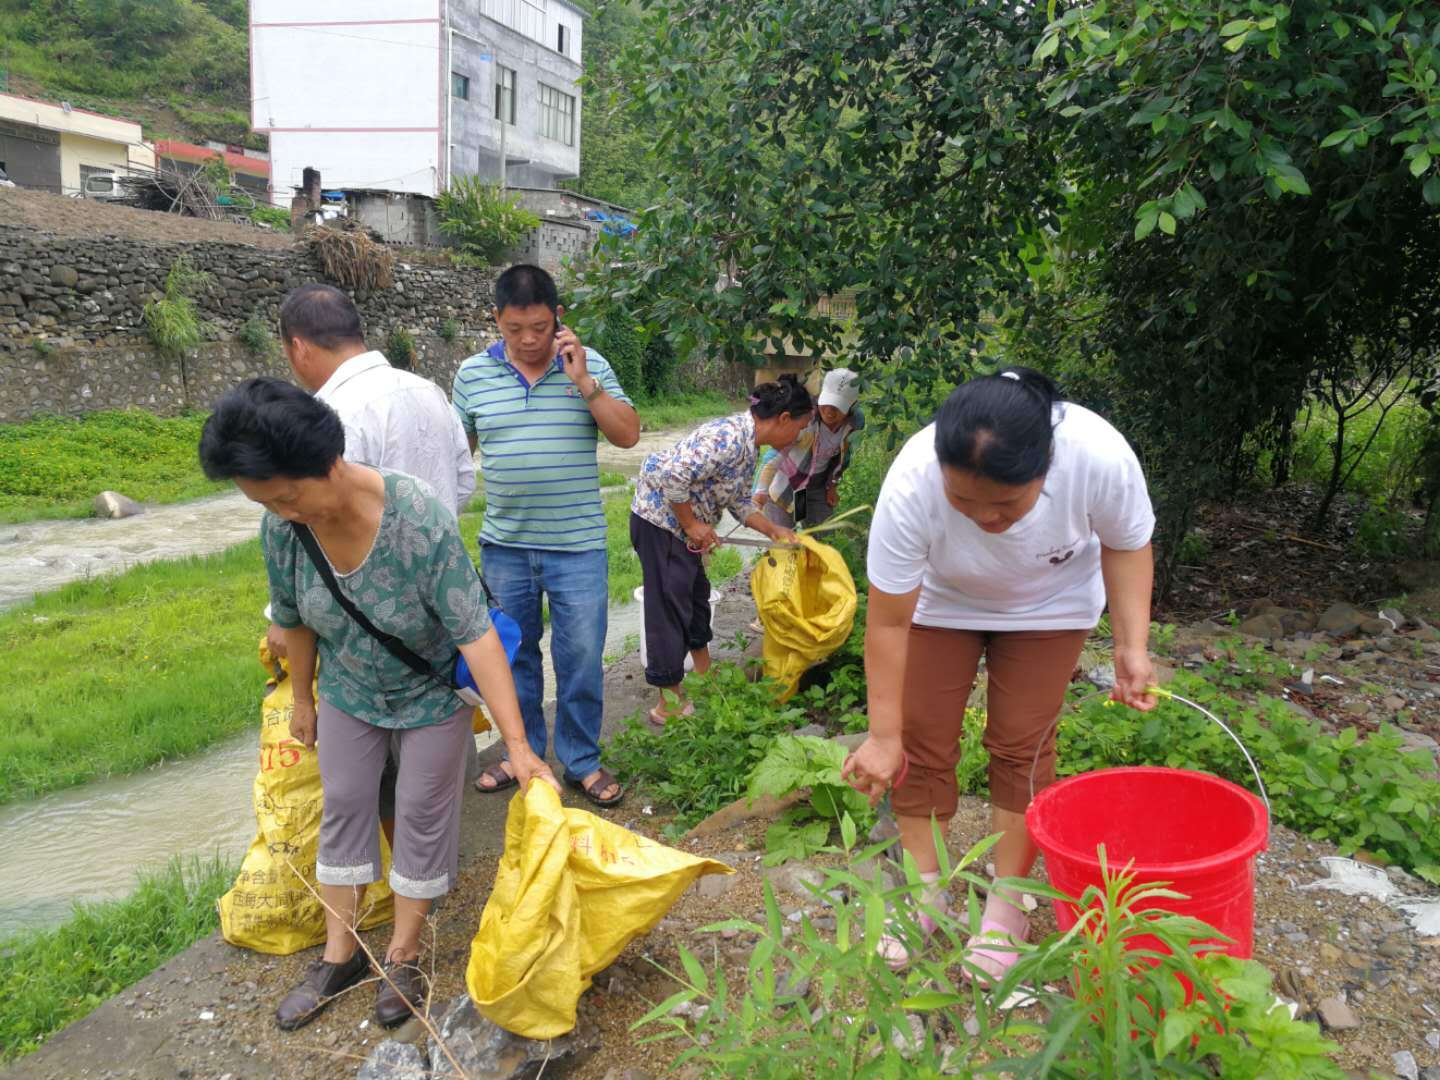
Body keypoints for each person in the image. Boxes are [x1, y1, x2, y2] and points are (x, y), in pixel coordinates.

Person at [199, 378, 560, 1032]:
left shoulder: (417, 517)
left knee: (421, 816)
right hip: (348, 691)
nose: (284, 512)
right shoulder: (283, 529)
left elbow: (475, 635)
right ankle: (343, 955)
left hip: (428, 693)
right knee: (344, 809)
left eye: (287, 496)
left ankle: (403, 954)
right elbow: (293, 618)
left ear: (328, 462)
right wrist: (302, 697)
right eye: (266, 503)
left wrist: (517, 746)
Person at [841, 367, 1158, 979]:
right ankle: (925, 889)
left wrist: (1131, 645)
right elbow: (886, 625)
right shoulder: (912, 482)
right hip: (939, 606)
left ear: (1047, 469)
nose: (985, 518)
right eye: (964, 501)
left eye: (1006, 504)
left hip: (1051, 607)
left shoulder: (1096, 456)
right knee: (920, 740)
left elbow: (1127, 543)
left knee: (1022, 747)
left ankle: (1007, 904)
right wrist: (883, 736)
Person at [265, 283, 478, 847]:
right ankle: (429, 868)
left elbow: (318, 520)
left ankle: (396, 879)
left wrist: (282, 617)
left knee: (373, 754)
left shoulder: (326, 416)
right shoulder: (428, 390)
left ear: (297, 348)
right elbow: (462, 481)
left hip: (369, 621)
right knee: (439, 730)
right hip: (442, 610)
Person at [451, 265, 640, 808]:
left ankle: (580, 758)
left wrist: (583, 380)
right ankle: (524, 752)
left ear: (558, 319)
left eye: (539, 327)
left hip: (577, 545)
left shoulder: (590, 364)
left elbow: (627, 434)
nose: (529, 340)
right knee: (513, 656)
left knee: (580, 654)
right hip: (504, 546)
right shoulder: (471, 376)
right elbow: (455, 457)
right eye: (515, 329)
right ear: (497, 321)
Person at [630, 375, 812, 724]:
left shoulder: (751, 446)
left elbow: (740, 501)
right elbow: (672, 476)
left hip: (684, 526)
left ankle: (704, 677)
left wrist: (774, 530)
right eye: (801, 427)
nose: (800, 437)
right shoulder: (727, 438)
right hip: (660, 523)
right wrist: (692, 525)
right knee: (668, 608)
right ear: (784, 419)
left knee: (696, 596)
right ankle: (667, 703)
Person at [754, 367, 865, 529]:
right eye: (826, 403)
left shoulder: (855, 423)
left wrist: (832, 485)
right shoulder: (805, 419)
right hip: (787, 485)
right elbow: (774, 455)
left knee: (820, 536)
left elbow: (843, 458)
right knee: (784, 541)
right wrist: (760, 493)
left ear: (851, 405)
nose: (829, 411)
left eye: (837, 406)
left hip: (816, 487)